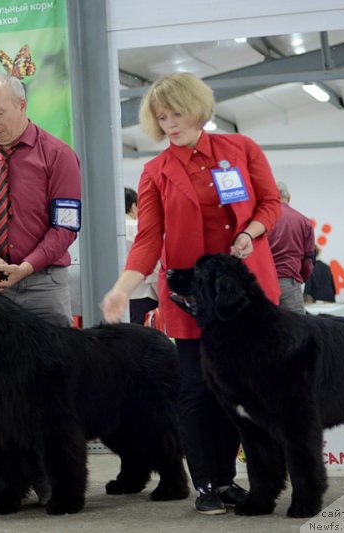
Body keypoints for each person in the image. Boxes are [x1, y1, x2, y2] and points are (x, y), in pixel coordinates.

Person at [99, 72, 281, 516]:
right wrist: (123, 288)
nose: (169, 125)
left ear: (197, 108)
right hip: (191, 301)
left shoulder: (242, 150)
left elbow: (270, 203)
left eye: (176, 114)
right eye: (161, 118)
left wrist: (250, 234)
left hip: (242, 300)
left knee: (240, 392)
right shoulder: (155, 172)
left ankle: (231, 480)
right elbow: (148, 239)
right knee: (197, 391)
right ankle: (206, 485)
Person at [0, 74, 82, 512]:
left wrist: (27, 266)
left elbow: (66, 225)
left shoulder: (58, 155)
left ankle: (49, 481)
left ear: (22, 105)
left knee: (49, 393)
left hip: (42, 285)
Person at [266, 181, 315, 313]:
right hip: (289, 283)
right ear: (289, 197)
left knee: (263, 330)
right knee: (296, 330)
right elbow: (309, 260)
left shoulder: (261, 221)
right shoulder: (304, 222)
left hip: (263, 283)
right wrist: (298, 280)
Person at [124, 187, 158, 325]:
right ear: (133, 206)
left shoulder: (102, 229)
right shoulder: (137, 227)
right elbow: (151, 260)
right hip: (141, 294)